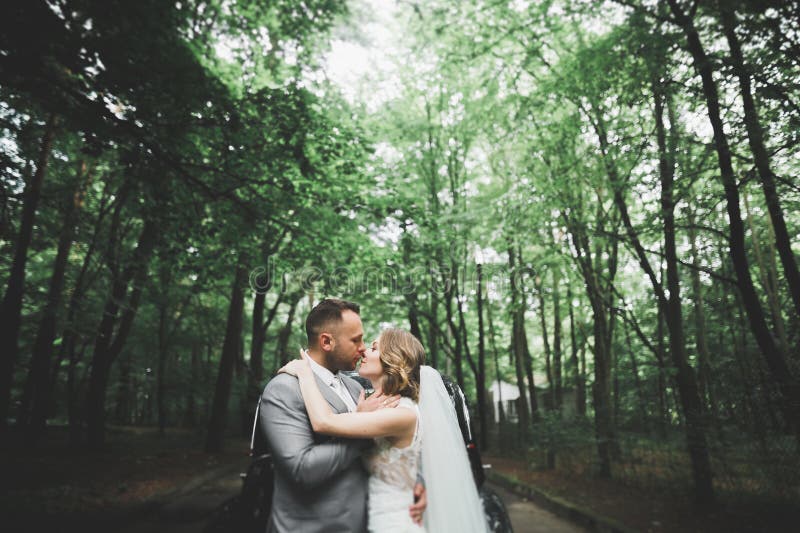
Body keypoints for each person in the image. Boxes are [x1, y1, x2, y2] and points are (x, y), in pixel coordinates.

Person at [280, 326, 489, 533]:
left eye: (373, 348)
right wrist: (418, 480)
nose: (364, 351)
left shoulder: (402, 414)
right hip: (373, 519)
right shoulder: (380, 407)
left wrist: (305, 373)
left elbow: (323, 422)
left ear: (392, 359)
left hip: (395, 524)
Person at [259, 299, 426, 533]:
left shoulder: (355, 387)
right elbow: (301, 469)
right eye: (355, 340)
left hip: (370, 522)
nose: (362, 347)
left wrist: (416, 483)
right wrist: (364, 432)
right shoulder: (285, 388)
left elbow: (397, 446)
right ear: (326, 341)